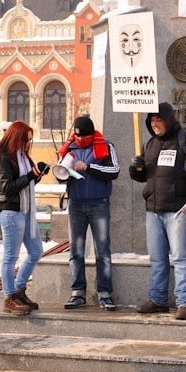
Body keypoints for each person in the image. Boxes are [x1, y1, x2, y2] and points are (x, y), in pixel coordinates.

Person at [129, 102, 186, 321]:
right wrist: (135, 168)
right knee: (157, 258)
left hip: (178, 210)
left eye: (158, 119)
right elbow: (146, 177)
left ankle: (184, 303)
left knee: (181, 257)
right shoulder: (150, 143)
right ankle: (157, 299)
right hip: (153, 209)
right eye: (151, 121)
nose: (155, 124)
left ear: (168, 118)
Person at [56, 116, 120, 311]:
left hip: (99, 203)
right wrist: (62, 173)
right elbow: (60, 174)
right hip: (75, 204)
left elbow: (114, 170)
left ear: (92, 134)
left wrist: (89, 167)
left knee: (103, 251)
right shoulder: (70, 147)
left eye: (84, 137)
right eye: (78, 137)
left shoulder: (106, 146)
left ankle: (105, 293)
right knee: (76, 251)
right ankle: (77, 293)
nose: (81, 140)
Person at [0, 121, 48, 315]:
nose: (28, 143)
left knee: (36, 251)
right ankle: (9, 297)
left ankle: (19, 289)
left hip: (26, 210)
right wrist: (31, 175)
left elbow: (27, 182)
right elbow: (7, 187)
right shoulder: (2, 156)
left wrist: (38, 173)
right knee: (10, 256)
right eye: (26, 139)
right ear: (17, 138)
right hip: (11, 212)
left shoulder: (23, 156)